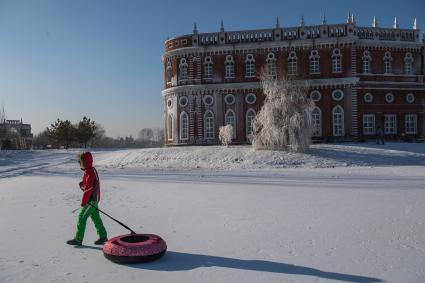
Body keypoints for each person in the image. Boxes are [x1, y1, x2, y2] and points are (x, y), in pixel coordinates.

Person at [67, 152, 107, 246]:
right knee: (96, 218)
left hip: (90, 201)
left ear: (83, 162)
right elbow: (91, 183)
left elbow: (89, 188)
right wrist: (83, 183)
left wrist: (83, 202)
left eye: (80, 161)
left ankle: (78, 239)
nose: (79, 163)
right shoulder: (91, 169)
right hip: (94, 200)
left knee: (81, 217)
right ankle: (103, 236)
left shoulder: (89, 171)